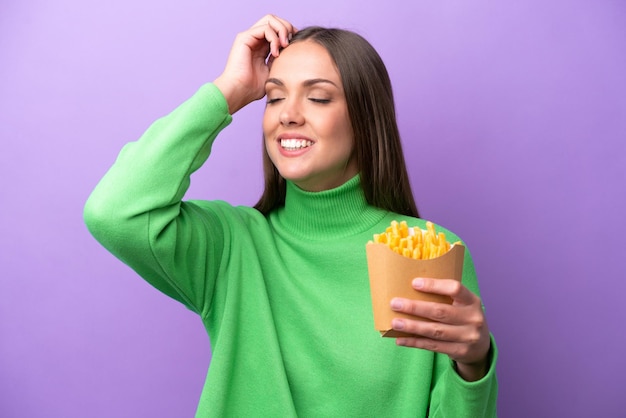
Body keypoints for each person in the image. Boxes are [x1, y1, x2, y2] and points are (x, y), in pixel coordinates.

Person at [84, 14, 498, 417]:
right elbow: (114, 211)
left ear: (365, 117)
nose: (287, 114)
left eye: (317, 97)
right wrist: (227, 92)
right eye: (274, 96)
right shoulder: (232, 247)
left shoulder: (428, 252)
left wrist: (473, 365)